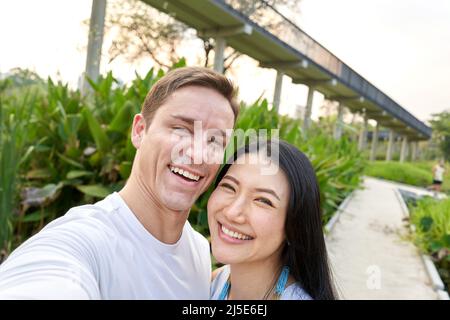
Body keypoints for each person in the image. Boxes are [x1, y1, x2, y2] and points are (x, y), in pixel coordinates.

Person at [0, 67, 238, 299]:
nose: (198, 154)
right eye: (181, 129)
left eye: (214, 140)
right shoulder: (82, 242)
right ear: (139, 130)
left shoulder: (198, 250)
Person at [208, 140, 337, 300]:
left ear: (294, 227)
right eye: (229, 187)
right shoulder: (214, 282)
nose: (232, 212)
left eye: (263, 200)